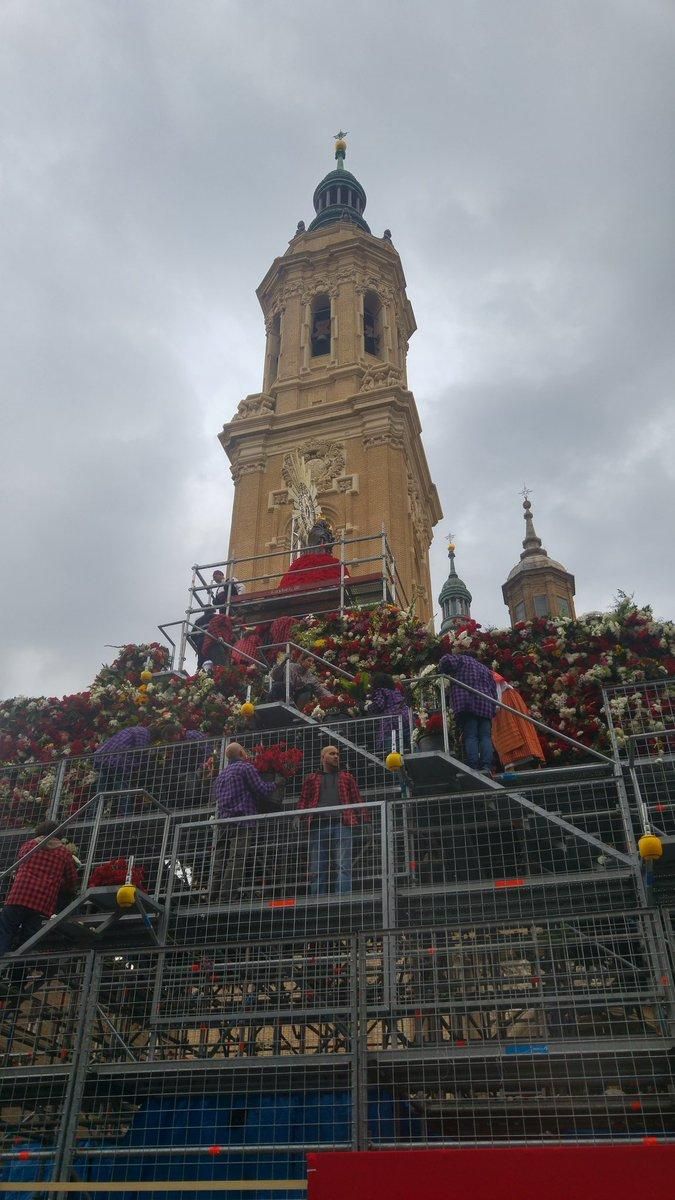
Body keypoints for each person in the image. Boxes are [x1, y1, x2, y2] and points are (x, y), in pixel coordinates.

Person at [211, 742, 281, 903]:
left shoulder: (222, 774)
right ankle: (227, 897)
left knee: (220, 859)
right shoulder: (245, 768)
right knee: (236, 859)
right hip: (242, 820)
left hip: (223, 821)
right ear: (242, 753)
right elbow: (261, 789)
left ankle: (213, 896)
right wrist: (276, 783)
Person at [0, 821, 79, 955]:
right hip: (42, 903)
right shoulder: (64, 853)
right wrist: (61, 883)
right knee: (28, 941)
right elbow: (72, 880)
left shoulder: (29, 845)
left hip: (19, 895)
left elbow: (20, 865)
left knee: (5, 930)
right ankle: (17, 973)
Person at [298, 746, 366, 895]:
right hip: (318, 825)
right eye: (332, 754)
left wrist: (365, 820)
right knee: (317, 868)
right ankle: (317, 900)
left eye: (337, 754)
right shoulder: (311, 779)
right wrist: (299, 817)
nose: (336, 756)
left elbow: (357, 800)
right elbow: (304, 800)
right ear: (323, 757)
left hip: (342, 823)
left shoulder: (347, 777)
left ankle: (342, 898)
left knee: (343, 865)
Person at [438, 651, 497, 773]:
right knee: (485, 737)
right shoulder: (485, 669)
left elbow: (446, 660)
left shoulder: (461, 660)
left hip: (466, 703)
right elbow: (493, 691)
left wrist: (442, 670)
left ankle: (473, 766)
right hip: (486, 704)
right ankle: (487, 766)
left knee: (471, 735)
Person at [491, 672, 545, 771]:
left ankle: (511, 767)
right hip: (511, 702)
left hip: (505, 703)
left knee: (506, 732)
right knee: (523, 729)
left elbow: (497, 701)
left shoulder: (490, 676)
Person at [93, 725, 151, 814]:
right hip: (117, 762)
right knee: (122, 790)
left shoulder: (130, 729)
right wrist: (144, 763)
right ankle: (126, 815)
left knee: (101, 791)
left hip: (103, 759)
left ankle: (93, 815)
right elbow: (141, 750)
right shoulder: (144, 732)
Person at [368, 672, 411, 753]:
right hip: (406, 716)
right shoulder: (395, 691)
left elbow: (379, 705)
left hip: (392, 721)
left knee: (394, 748)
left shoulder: (380, 691)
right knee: (411, 744)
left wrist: (366, 707)